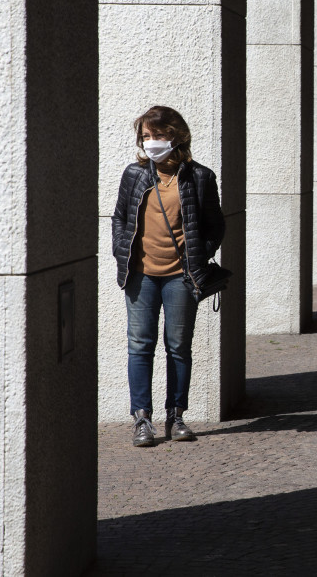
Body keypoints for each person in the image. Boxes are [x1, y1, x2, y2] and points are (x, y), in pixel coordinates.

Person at [111, 106, 225, 447]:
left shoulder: (200, 177)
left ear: (175, 137)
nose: (151, 142)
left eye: (157, 135)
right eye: (145, 136)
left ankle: (176, 416)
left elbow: (215, 227)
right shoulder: (134, 174)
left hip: (181, 277)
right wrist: (121, 250)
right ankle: (142, 419)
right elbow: (119, 218)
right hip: (140, 276)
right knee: (140, 346)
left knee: (178, 346)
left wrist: (198, 255)